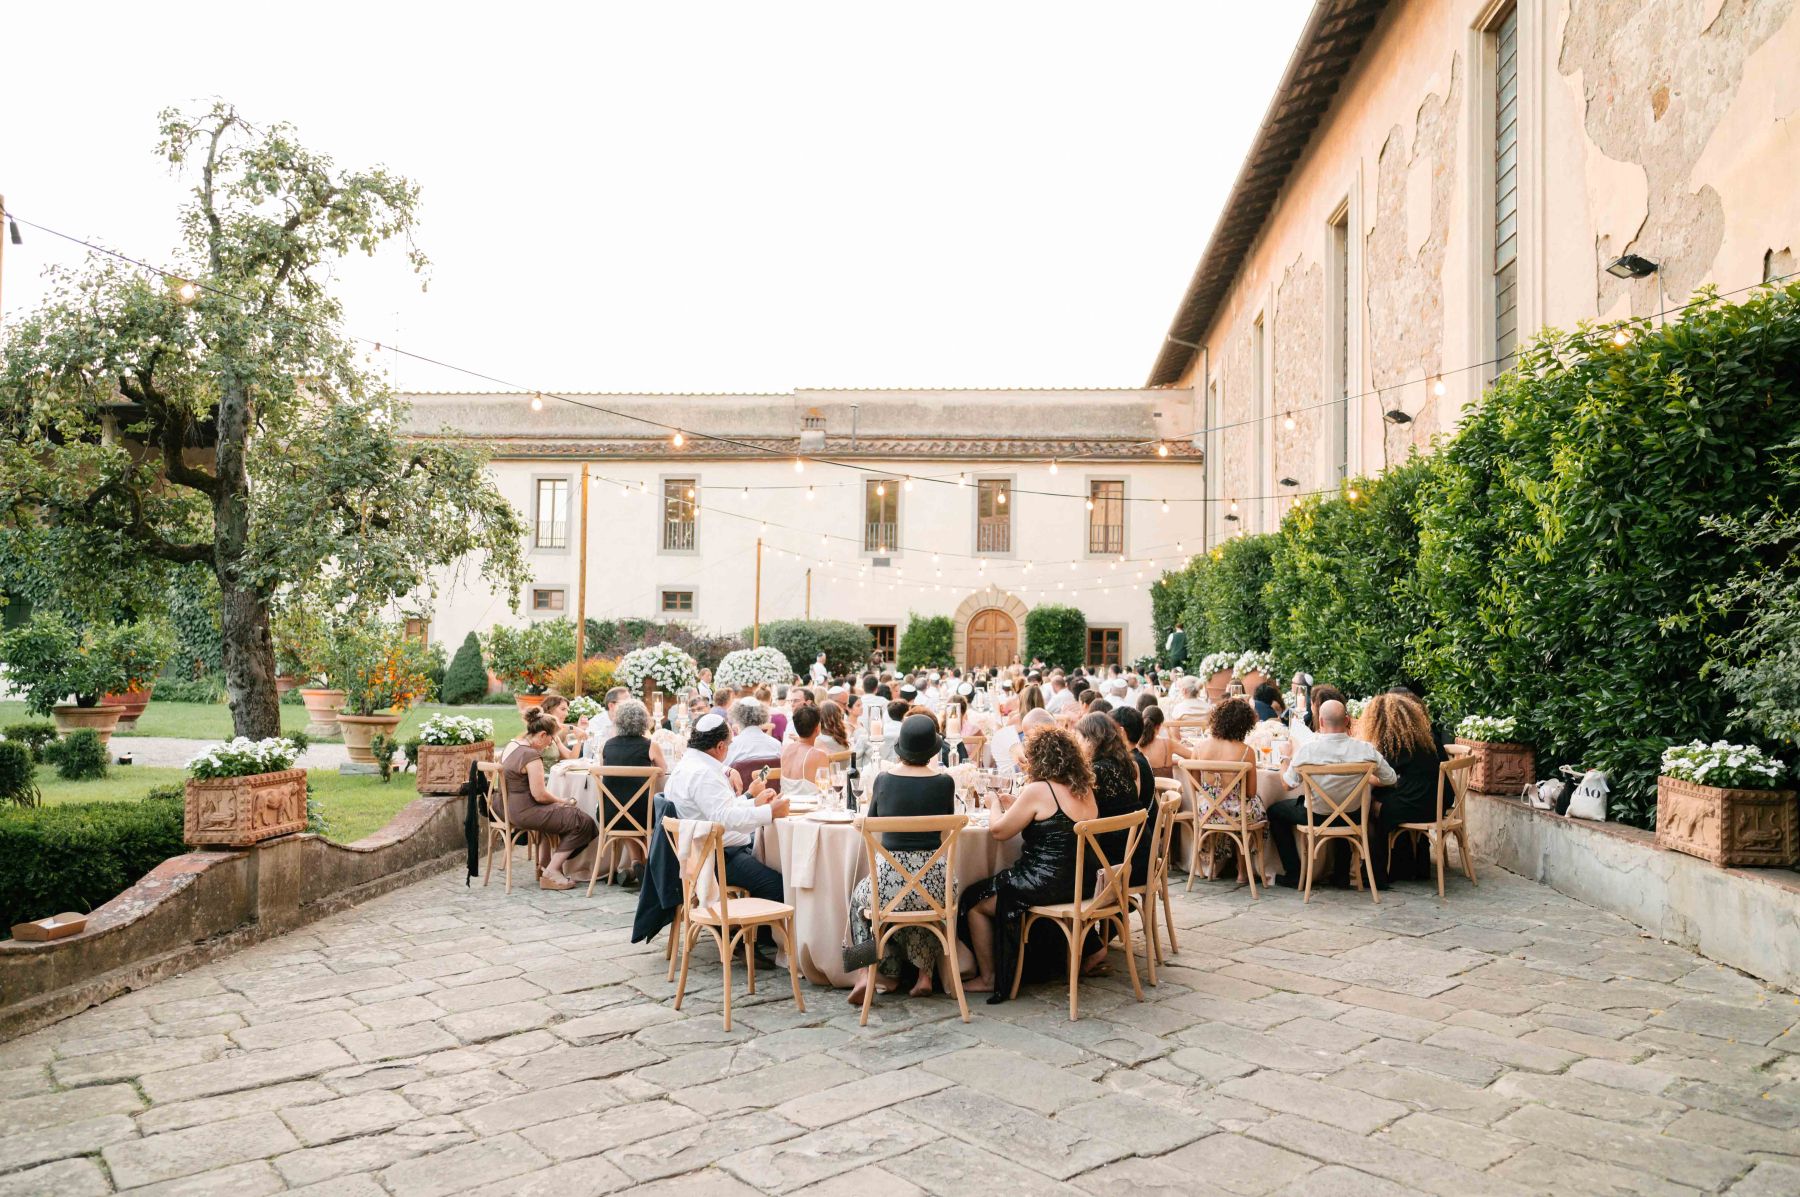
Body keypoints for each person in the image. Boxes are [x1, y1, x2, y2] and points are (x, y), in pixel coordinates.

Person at [962, 724, 1099, 999]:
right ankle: (1077, 954)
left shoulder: (1039, 789)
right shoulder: (1084, 789)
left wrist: (993, 805)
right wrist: (1017, 802)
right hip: (1082, 884)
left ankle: (989, 976)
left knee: (973, 901)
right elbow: (1051, 817)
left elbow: (999, 832)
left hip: (1045, 883)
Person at [847, 714, 958, 1006]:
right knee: (926, 894)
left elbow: (870, 824)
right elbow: (945, 827)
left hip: (889, 886)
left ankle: (866, 973)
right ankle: (925, 975)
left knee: (859, 901)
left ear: (901, 748)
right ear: (933, 750)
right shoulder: (945, 783)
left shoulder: (884, 780)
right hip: (935, 886)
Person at [664, 711, 789, 912]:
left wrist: (752, 801)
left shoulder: (689, 764)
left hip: (703, 850)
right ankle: (748, 935)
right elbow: (726, 818)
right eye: (729, 745)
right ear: (720, 747)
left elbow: (718, 810)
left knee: (767, 858)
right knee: (777, 884)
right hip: (715, 857)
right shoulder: (703, 774)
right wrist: (769, 812)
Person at [1268, 699, 1395, 887]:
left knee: (1274, 812)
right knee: (1342, 807)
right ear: (1347, 720)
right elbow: (1390, 779)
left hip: (1317, 816)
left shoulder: (1308, 751)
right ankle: (1341, 875)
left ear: (1320, 722)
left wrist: (1285, 758)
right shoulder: (1365, 749)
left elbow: (1287, 785)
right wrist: (1363, 776)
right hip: (1353, 816)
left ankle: (1294, 873)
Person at [499, 715, 597, 890]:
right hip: (526, 811)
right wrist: (563, 801)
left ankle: (545, 865)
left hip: (508, 807)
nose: (551, 743)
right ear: (543, 734)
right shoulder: (531, 756)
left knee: (564, 816)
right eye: (552, 738)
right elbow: (540, 795)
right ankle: (552, 870)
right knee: (582, 821)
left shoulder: (513, 744)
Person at [1358, 692, 1447, 884]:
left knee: (1371, 808)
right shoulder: (1424, 737)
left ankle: (1375, 871)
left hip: (1416, 804)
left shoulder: (1397, 743)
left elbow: (1386, 779)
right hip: (1437, 803)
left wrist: (1364, 778)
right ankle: (1405, 863)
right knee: (1383, 801)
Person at [1184, 697, 1267, 885]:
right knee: (1253, 808)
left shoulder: (1199, 747)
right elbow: (1251, 793)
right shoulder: (1247, 751)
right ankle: (1242, 872)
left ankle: (1213, 868)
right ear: (1244, 725)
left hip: (1206, 813)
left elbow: (1195, 783)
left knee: (1240, 808)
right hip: (1236, 815)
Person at [1077, 711, 1154, 899]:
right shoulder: (1128, 764)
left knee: (1069, 865)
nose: (1076, 744)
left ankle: (1083, 922)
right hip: (1141, 857)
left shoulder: (1094, 773)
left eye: (1078, 738)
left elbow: (1082, 816)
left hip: (1116, 867)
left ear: (1091, 740)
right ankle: (1111, 920)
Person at [597, 698, 666, 883]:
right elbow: (662, 772)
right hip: (643, 815)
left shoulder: (607, 745)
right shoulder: (650, 745)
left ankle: (636, 863)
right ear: (644, 721)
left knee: (623, 806)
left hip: (610, 814)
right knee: (640, 808)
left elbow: (603, 770)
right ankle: (642, 864)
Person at [780, 703, 829, 793]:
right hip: (809, 806)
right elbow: (826, 790)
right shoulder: (819, 756)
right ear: (818, 728)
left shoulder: (784, 749)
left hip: (786, 805)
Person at [723, 697, 782, 769]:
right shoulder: (776, 745)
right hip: (767, 780)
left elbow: (723, 771)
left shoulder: (731, 746)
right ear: (762, 715)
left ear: (737, 716)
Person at [534, 695, 585, 761]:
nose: (567, 714)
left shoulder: (563, 731)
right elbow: (563, 757)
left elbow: (571, 756)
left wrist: (579, 730)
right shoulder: (540, 731)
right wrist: (575, 728)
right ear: (549, 710)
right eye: (563, 709)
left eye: (567, 710)